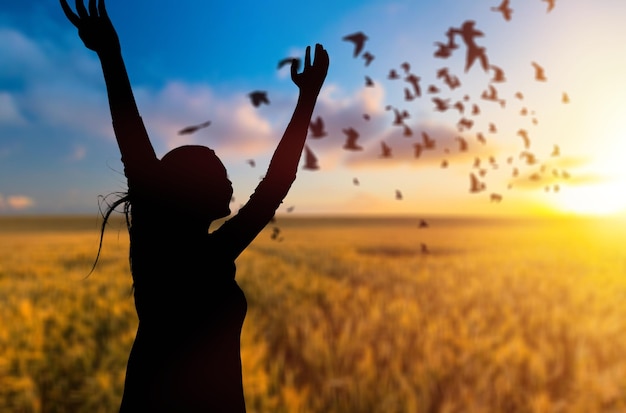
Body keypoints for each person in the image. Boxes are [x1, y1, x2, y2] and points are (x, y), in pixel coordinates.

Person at [60, 1, 329, 411]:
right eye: (219, 175)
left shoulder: (204, 253)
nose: (230, 182)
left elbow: (275, 184)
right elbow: (131, 134)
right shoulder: (175, 249)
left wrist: (308, 98)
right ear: (189, 191)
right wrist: (111, 56)